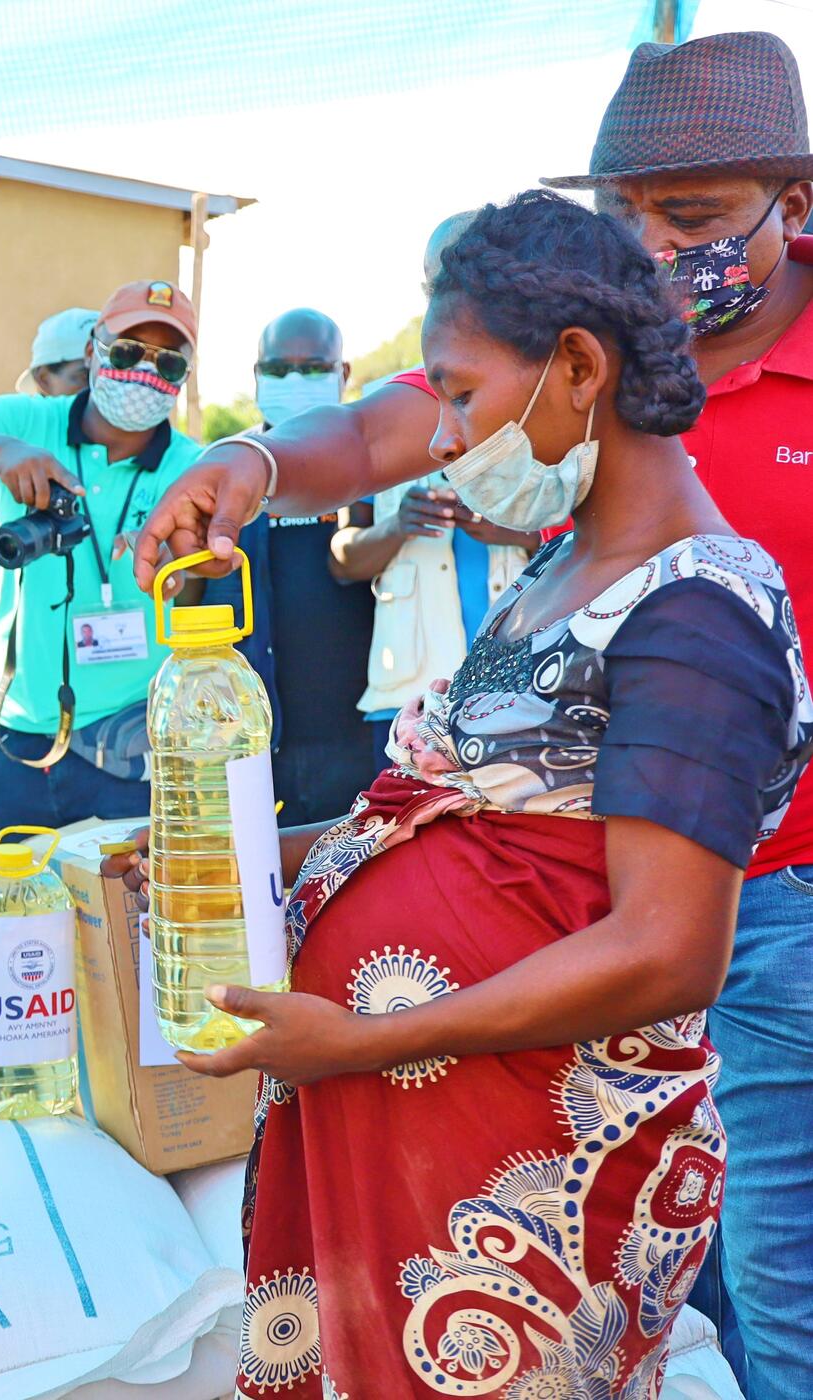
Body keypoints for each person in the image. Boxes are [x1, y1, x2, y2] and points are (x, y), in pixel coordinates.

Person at [129, 190, 809, 1398]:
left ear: (579, 369)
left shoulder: (695, 608)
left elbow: (667, 951)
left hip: (520, 1209)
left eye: (455, 391)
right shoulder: (558, 572)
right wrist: (239, 855)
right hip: (419, 1167)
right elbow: (467, 819)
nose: (439, 438)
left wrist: (368, 1037)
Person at [539, 33, 813, 1398]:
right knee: (655, 1272)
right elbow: (415, 414)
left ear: (793, 210)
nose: (647, 248)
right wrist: (248, 458)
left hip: (786, 909)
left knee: (783, 1289)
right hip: (610, 905)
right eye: (620, 214)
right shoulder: (594, 354)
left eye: (691, 217)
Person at [0, 279, 202, 873]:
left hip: (125, 748)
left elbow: (192, 590)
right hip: (15, 738)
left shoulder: (192, 465)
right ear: (92, 351)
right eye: (125, 351)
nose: (145, 373)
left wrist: (175, 572)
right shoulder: (26, 421)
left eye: (167, 360)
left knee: (122, 944)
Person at [331, 215, 536, 770]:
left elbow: (594, 539)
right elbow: (343, 558)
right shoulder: (387, 403)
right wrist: (398, 527)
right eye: (441, 282)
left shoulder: (543, 389)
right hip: (411, 701)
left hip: (518, 696)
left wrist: (512, 530)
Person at [203, 308, 375, 824]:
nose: (294, 381)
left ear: (343, 375)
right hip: (250, 747)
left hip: (361, 742)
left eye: (313, 366)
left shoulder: (376, 466)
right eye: (277, 370)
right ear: (255, 376)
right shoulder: (227, 468)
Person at [0, 306, 98, 587]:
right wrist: (39, 529)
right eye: (84, 376)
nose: (97, 388)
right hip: (21, 627)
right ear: (44, 379)